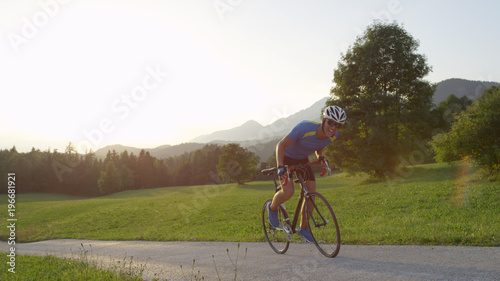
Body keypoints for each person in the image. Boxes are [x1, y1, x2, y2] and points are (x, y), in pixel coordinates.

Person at [267, 105, 346, 242]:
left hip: (302, 160)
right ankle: (272, 208)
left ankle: (303, 229)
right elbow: (281, 145)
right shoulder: (304, 128)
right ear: (323, 120)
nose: (333, 127)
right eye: (330, 122)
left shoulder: (334, 136)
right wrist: (280, 167)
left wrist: (320, 157)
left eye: (337, 125)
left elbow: (320, 145)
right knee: (288, 192)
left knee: (311, 194)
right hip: (286, 158)